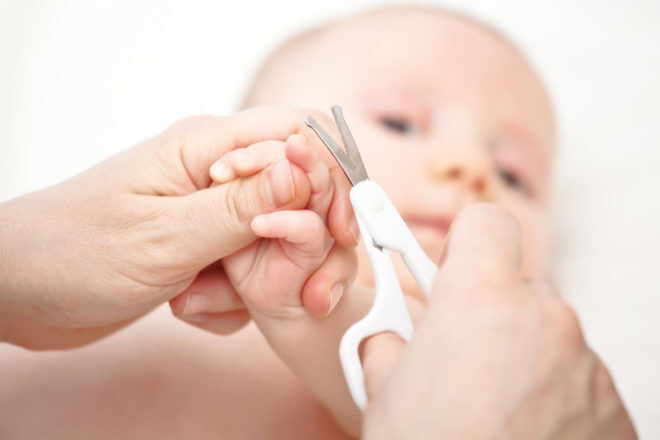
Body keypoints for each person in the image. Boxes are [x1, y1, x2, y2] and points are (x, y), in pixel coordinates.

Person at [0, 5, 636, 439]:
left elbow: (415, 386)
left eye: (514, 174)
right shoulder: (120, 266)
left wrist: (300, 312)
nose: (469, 166)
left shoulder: (470, 357)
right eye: (400, 123)